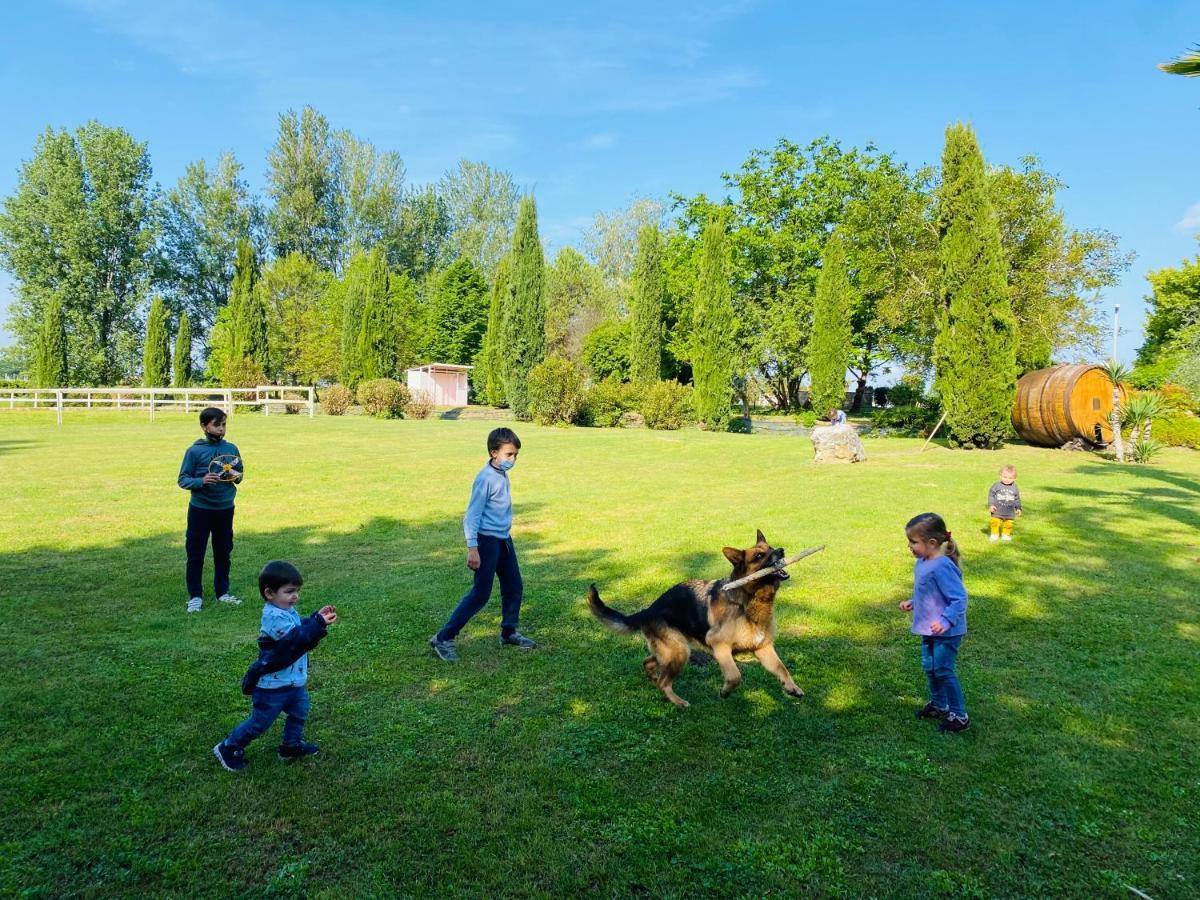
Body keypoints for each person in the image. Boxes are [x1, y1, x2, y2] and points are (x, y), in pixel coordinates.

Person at [214, 561, 337, 771]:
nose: (295, 596)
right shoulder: (273, 617)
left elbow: (300, 630)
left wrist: (316, 619)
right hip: (272, 686)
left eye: (297, 591)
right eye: (289, 591)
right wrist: (319, 625)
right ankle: (228, 747)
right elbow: (295, 641)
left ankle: (290, 746)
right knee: (260, 722)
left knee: (300, 711)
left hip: (292, 683)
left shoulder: (287, 611)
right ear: (269, 593)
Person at [429, 427, 536, 661]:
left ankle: (509, 632)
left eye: (516, 455)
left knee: (513, 586)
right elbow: (471, 515)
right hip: (486, 542)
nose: (513, 459)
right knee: (480, 594)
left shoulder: (500, 473)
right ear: (493, 452)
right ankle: (443, 638)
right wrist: (473, 548)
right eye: (509, 454)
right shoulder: (485, 478)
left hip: (503, 540)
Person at [898, 513, 970, 733]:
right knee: (930, 668)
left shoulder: (942, 566)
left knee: (943, 670)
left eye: (913, 542)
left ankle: (959, 715)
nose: (909, 546)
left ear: (931, 543)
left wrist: (946, 620)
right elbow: (930, 591)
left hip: (946, 632)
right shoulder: (923, 562)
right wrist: (913, 601)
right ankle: (940, 705)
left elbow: (959, 598)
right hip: (929, 627)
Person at [177, 407, 243, 613]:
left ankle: (222, 593)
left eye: (224, 425)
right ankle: (195, 596)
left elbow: (239, 474)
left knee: (223, 552)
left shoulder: (231, 448)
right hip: (200, 510)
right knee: (195, 553)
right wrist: (201, 480)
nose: (221, 429)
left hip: (225, 509)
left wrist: (235, 475)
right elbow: (183, 479)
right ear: (204, 426)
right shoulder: (194, 451)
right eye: (216, 425)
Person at [987, 465, 1022, 542]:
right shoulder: (996, 486)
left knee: (1008, 524)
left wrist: (1018, 508)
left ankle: (1006, 535)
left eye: (1010, 478)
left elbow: (1017, 499)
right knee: (995, 522)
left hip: (1009, 511)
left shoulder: (1015, 487)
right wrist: (991, 505)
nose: (1007, 479)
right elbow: (991, 496)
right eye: (1005, 477)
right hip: (997, 510)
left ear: (1015, 478)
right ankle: (994, 534)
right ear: (1000, 476)